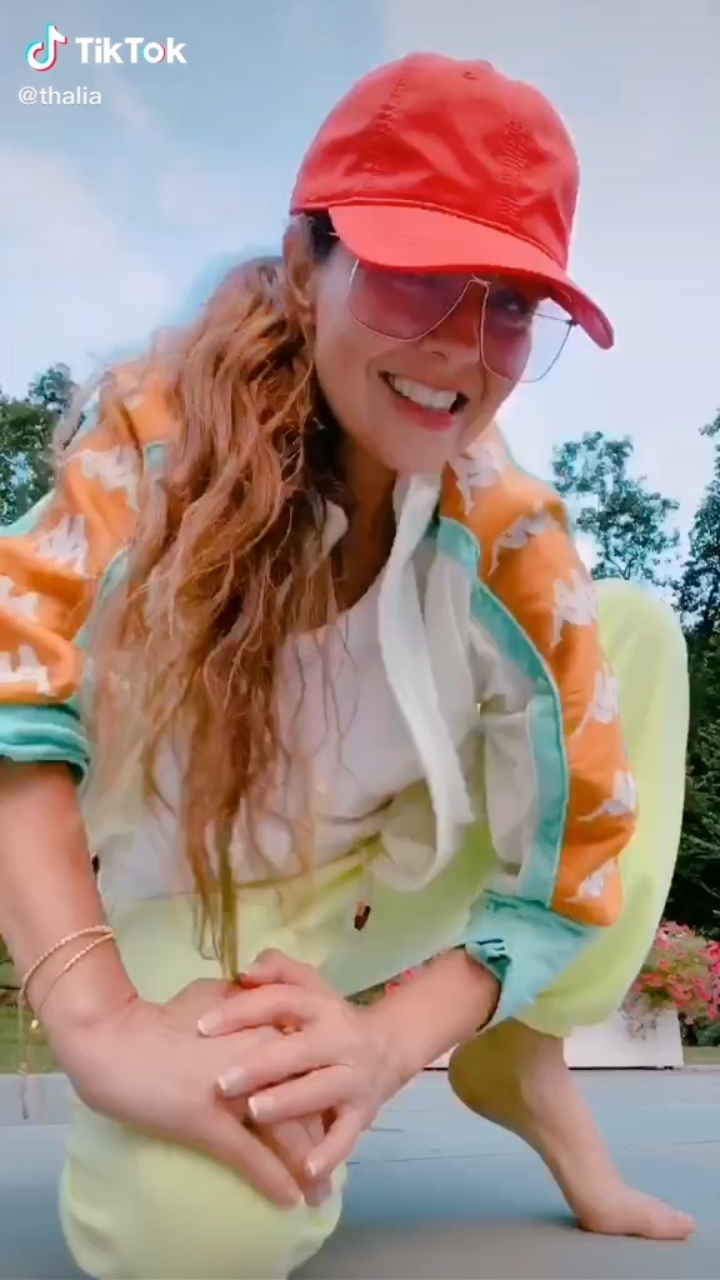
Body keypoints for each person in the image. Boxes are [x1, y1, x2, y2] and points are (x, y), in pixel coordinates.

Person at [0, 52, 692, 1280]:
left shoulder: (511, 532)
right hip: (205, 892)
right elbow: (13, 693)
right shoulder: (154, 448)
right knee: (194, 1240)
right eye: (418, 274)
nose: (463, 349)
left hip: (402, 870)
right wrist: (100, 1020)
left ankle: (519, 1050)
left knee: (631, 631)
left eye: (511, 303)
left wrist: (388, 1040)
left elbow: (576, 852)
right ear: (304, 264)